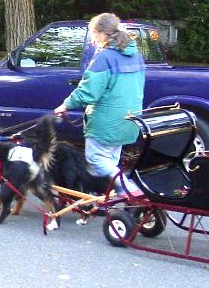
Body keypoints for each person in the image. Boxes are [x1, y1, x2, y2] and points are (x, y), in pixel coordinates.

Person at [53, 13, 145, 194]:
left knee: (96, 159)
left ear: (101, 33)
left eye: (93, 34)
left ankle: (131, 192)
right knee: (109, 161)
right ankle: (102, 199)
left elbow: (88, 92)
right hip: (130, 119)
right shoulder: (136, 55)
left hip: (107, 122)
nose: (93, 39)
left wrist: (65, 105)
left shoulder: (105, 57)